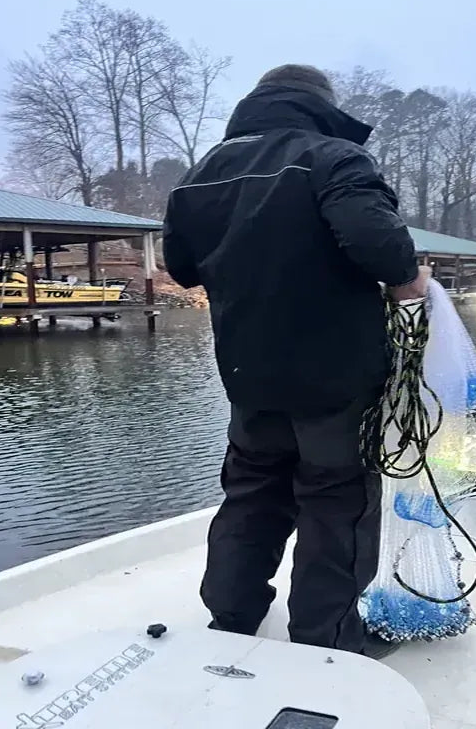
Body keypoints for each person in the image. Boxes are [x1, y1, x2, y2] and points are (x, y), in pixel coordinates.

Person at [162, 64, 427, 657]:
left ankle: (230, 621)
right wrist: (410, 275)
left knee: (251, 494)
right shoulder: (332, 157)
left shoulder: (199, 174)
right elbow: (380, 246)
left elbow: (180, 267)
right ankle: (324, 640)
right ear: (320, 105)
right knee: (335, 502)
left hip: (248, 378)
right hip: (334, 379)